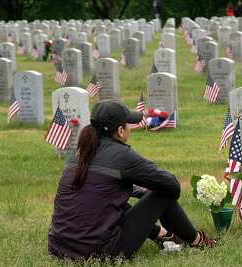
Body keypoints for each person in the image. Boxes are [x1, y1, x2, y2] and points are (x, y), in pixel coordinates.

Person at [48, 100, 216, 261]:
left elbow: (102, 195)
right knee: (162, 193)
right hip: (100, 253)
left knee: (109, 200)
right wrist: (148, 189)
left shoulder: (77, 156)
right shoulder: (122, 156)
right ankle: (196, 241)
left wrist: (139, 190)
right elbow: (171, 186)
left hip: (58, 248)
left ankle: (162, 235)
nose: (131, 127)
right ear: (121, 131)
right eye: (129, 124)